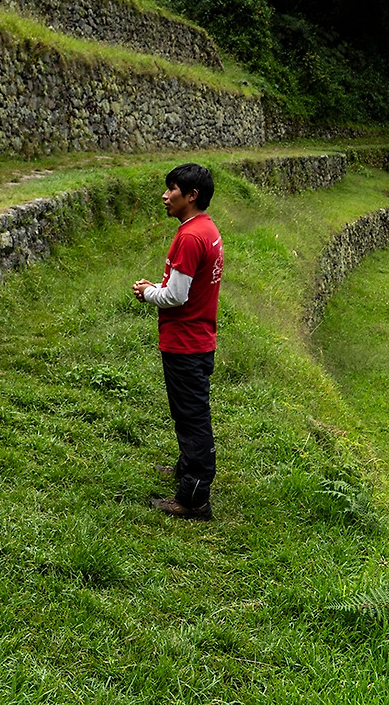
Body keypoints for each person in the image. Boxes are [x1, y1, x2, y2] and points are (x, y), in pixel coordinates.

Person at [131, 163, 223, 521]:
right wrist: (159, 288)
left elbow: (176, 296)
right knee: (188, 413)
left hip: (186, 342)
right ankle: (186, 469)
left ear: (191, 196)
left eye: (172, 189)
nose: (165, 196)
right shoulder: (207, 229)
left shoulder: (189, 237)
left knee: (192, 418)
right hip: (199, 337)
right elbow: (187, 286)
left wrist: (147, 292)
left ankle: (194, 498)